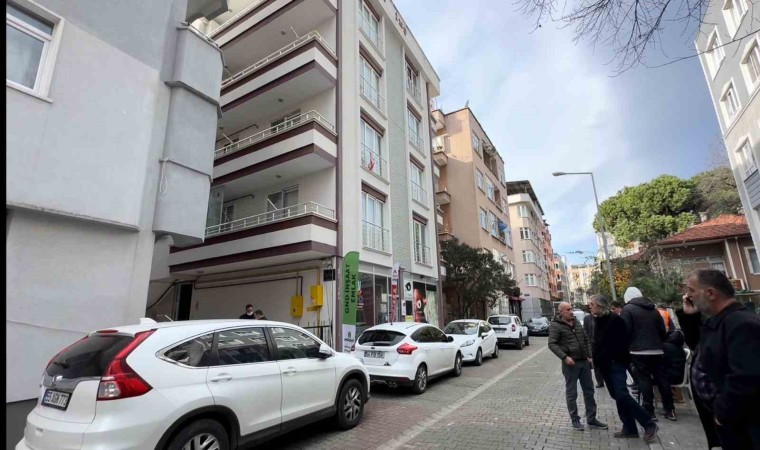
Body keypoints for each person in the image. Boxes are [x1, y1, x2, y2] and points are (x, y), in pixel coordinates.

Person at [677, 269, 760, 450]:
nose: (687, 296)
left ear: (711, 293)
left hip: (742, 425)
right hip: (729, 423)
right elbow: (700, 348)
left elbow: (746, 378)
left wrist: (723, 413)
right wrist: (690, 317)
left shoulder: (741, 324)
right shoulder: (718, 320)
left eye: (691, 290)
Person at [588, 295, 659, 442]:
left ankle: (648, 423)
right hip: (604, 366)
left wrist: (613, 358)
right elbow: (598, 343)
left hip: (615, 364)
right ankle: (629, 428)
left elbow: (621, 343)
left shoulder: (615, 320)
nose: (590, 306)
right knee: (617, 396)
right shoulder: (597, 320)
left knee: (622, 395)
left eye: (592, 304)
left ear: (600, 305)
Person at [548, 302, 608, 432]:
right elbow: (552, 344)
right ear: (561, 312)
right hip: (570, 364)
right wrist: (565, 357)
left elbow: (586, 339)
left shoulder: (576, 323)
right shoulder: (556, 326)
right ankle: (575, 419)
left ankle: (591, 418)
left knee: (589, 391)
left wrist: (590, 356)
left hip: (584, 362)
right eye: (568, 310)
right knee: (572, 393)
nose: (571, 312)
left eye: (571, 309)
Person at [621, 286, 677, 421]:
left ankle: (649, 411)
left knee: (644, 380)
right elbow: (662, 330)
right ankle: (669, 409)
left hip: (638, 350)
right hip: (657, 349)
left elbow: (624, 331)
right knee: (662, 378)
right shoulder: (653, 309)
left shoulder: (627, 310)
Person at [583, 312, 605, 388]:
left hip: (603, 344)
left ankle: (607, 378)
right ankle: (600, 381)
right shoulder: (587, 318)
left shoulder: (603, 317)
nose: (591, 308)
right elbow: (585, 331)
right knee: (596, 363)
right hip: (592, 344)